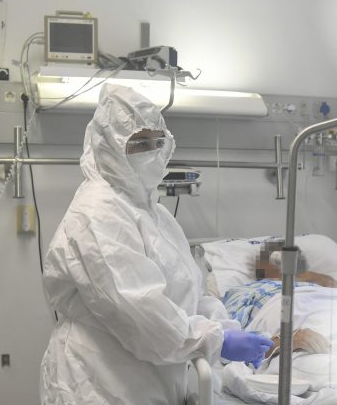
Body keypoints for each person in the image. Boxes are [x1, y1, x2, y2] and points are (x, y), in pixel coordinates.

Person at [40, 84, 272, 405]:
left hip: (148, 379)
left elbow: (188, 292)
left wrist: (225, 327)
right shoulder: (98, 212)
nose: (150, 152)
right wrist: (214, 340)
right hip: (98, 382)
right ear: (108, 146)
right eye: (138, 143)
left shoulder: (155, 215)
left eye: (156, 141)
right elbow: (140, 311)